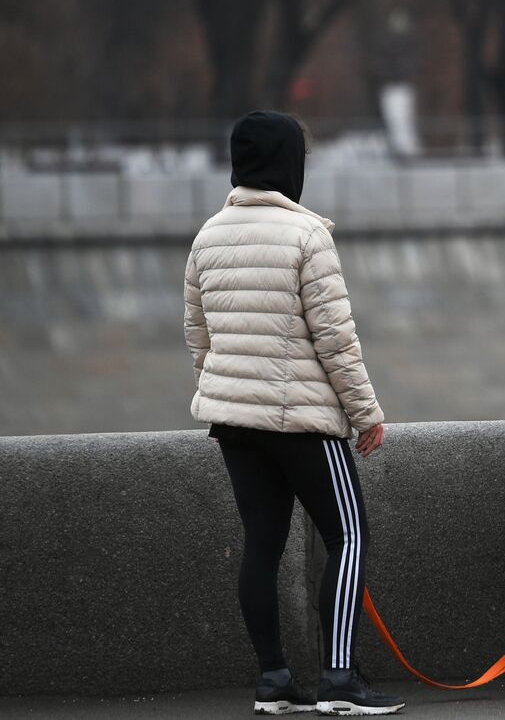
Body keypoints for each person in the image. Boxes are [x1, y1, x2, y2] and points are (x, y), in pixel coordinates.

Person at [184, 110, 404, 716]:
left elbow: (197, 335)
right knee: (349, 535)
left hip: (233, 422)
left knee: (262, 542)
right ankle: (340, 682)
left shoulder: (207, 236)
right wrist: (366, 414)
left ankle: (275, 681)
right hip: (303, 421)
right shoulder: (308, 238)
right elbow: (335, 339)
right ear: (289, 167)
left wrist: (227, 389)